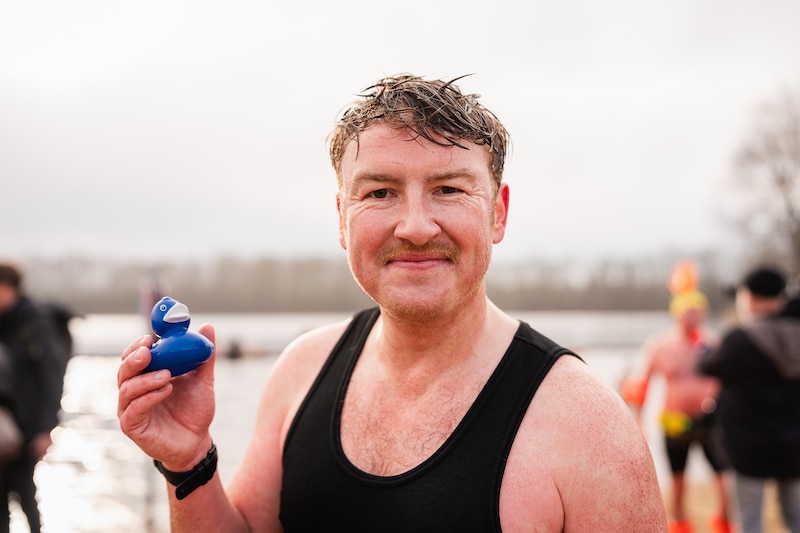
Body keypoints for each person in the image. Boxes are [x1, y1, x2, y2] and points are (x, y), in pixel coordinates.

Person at [117, 73, 668, 531]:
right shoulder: (302, 371)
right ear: (341, 217)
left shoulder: (584, 422)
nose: (415, 226)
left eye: (448, 189)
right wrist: (188, 460)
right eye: (380, 192)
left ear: (498, 213)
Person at [623, 263, 731, 533]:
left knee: (724, 480)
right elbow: (640, 384)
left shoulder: (713, 343)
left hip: (710, 421)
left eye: (697, 310)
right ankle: (681, 526)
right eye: (688, 311)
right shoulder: (660, 346)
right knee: (679, 482)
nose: (693, 316)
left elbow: (730, 383)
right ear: (677, 313)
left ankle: (725, 524)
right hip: (675, 423)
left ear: (704, 312)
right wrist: (637, 422)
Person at [699, 265, 800, 533]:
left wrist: (706, 347)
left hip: (749, 449)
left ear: (750, 296)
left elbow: (706, 365)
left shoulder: (740, 340)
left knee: (750, 522)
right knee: (796, 517)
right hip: (794, 446)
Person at [0, 263, 68, 533]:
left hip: (28, 427)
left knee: (26, 493)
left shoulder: (35, 321)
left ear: (9, 288)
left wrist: (46, 428)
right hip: (6, 426)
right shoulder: (4, 322)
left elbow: (51, 376)